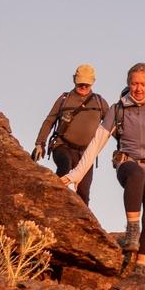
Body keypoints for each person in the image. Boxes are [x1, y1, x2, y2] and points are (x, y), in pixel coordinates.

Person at [63, 62, 145, 274]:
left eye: (142, 84)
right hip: (127, 164)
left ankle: (140, 267)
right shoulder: (117, 109)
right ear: (128, 84)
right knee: (136, 174)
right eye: (134, 83)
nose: (138, 88)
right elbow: (96, 143)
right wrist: (76, 174)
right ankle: (131, 229)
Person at [32, 63, 109, 203]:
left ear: (93, 82)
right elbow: (49, 120)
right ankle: (54, 203)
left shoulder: (99, 102)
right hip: (62, 145)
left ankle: (81, 222)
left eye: (87, 84)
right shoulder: (64, 99)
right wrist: (40, 144)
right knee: (64, 167)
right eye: (80, 84)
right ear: (74, 80)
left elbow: (111, 126)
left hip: (86, 153)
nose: (83, 87)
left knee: (84, 192)